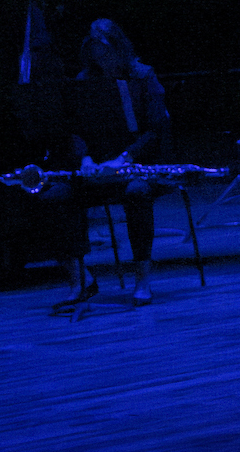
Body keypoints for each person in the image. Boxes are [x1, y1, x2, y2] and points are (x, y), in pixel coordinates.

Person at [44, 18, 172, 308]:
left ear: (116, 46)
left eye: (102, 48)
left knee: (137, 193)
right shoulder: (83, 81)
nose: (97, 55)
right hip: (98, 169)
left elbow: (155, 130)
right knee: (51, 198)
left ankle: (142, 280)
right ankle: (81, 280)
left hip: (138, 165)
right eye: (92, 49)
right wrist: (86, 158)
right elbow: (75, 129)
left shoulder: (142, 76)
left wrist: (125, 158)